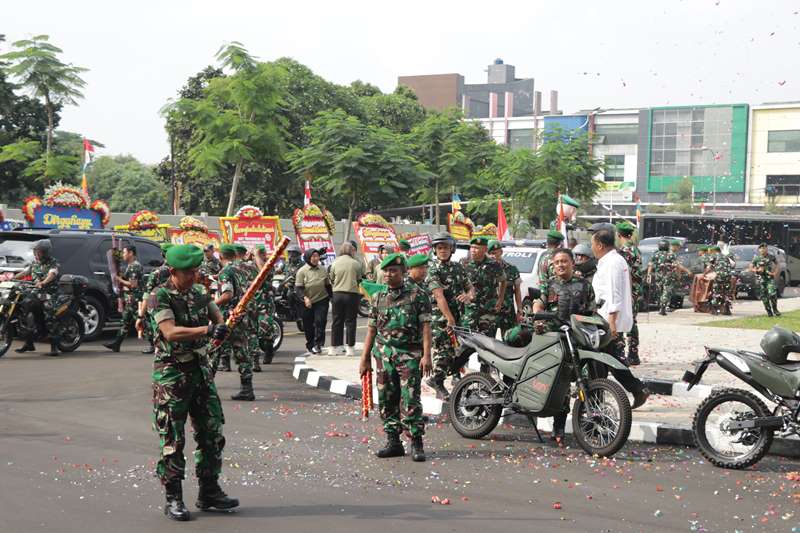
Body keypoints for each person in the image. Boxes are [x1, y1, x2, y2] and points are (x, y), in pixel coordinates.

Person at [148, 244, 238, 521]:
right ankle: (173, 498)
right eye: (189, 272)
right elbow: (170, 332)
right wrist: (207, 330)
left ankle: (209, 491)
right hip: (172, 375)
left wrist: (222, 327)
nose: (195, 275)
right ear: (173, 271)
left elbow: (216, 315)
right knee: (173, 439)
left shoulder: (199, 292)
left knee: (212, 432)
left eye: (197, 270)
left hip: (201, 371)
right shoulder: (159, 296)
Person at [358, 253, 433, 462]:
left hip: (409, 355)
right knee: (386, 400)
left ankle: (416, 443)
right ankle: (393, 442)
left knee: (410, 400)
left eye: (393, 271)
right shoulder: (378, 298)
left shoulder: (418, 296)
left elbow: (426, 327)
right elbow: (371, 330)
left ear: (403, 272)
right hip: (384, 357)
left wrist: (427, 356)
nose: (388, 274)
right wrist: (364, 358)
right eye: (386, 271)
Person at [531, 248, 595, 443]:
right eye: (557, 262)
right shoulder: (548, 285)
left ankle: (588, 424)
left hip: (577, 339)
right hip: (554, 339)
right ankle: (557, 429)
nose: (560, 265)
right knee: (557, 384)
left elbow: (592, 312)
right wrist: (537, 319)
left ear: (572, 263)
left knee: (584, 382)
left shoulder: (584, 285)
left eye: (564, 261)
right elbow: (538, 305)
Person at [590, 229, 650, 409]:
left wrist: (612, 321)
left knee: (600, 361)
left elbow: (614, 293)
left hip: (606, 320)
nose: (592, 248)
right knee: (609, 359)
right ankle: (637, 389)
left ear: (600, 245)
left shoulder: (612, 263)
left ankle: (597, 401)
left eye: (593, 244)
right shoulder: (613, 260)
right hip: (605, 318)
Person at [424, 232, 473, 401]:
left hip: (458, 317)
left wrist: (468, 296)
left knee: (460, 352)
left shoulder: (458, 267)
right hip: (441, 320)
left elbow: (470, 287)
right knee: (444, 352)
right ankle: (437, 382)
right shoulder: (433, 270)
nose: (443, 251)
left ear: (452, 249)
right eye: (440, 248)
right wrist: (449, 319)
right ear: (435, 250)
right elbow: (439, 296)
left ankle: (440, 379)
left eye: (446, 248)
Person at [214, 244, 255, 399]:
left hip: (228, 317)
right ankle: (247, 388)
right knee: (241, 352)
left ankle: (205, 389)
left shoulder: (225, 272)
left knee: (213, 349)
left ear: (221, 256)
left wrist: (211, 305)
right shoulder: (241, 271)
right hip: (241, 316)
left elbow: (227, 295)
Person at [13, 239, 61, 356]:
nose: (36, 254)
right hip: (36, 292)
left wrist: (43, 282)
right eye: (35, 252)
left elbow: (52, 274)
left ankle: (54, 347)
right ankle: (29, 344)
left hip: (49, 293)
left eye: (38, 252)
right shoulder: (35, 263)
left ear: (45, 252)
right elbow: (24, 272)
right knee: (27, 314)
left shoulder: (53, 263)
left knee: (50, 315)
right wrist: (11, 278)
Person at [463, 236, 507, 336]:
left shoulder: (494, 264)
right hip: (470, 308)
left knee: (488, 340)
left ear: (485, 250)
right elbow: (459, 283)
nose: (473, 250)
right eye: (472, 247)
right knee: (466, 339)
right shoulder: (464, 263)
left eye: (477, 248)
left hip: (488, 309)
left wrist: (500, 300)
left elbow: (503, 281)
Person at [104, 245, 144, 352]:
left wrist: (119, 279)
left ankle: (154, 343)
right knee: (125, 322)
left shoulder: (134, 266)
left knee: (142, 321)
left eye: (125, 252)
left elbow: (133, 285)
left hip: (135, 299)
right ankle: (117, 344)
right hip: (131, 299)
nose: (123, 255)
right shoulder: (130, 266)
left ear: (131, 253)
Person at [328, 242, 364, 356]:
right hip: (351, 295)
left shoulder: (335, 262)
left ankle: (334, 347)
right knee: (350, 321)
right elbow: (359, 278)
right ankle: (350, 348)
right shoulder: (356, 263)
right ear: (351, 251)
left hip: (337, 294)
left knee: (337, 321)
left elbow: (331, 278)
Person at [615, 221, 643, 366]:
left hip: (626, 292)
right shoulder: (637, 251)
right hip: (636, 292)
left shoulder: (622, 252)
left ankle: (620, 354)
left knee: (620, 321)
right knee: (632, 322)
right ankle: (633, 354)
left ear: (619, 235)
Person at [138, 243, 173, 355]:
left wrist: (140, 315)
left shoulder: (157, 273)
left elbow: (147, 296)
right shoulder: (180, 271)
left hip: (159, 311)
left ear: (162, 254)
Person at [296, 248, 332, 354]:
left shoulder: (323, 269)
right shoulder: (302, 271)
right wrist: (305, 298)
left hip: (322, 299)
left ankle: (318, 344)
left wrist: (332, 297)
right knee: (308, 325)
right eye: (313, 257)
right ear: (308, 258)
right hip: (307, 302)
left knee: (320, 322)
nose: (316, 259)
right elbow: (298, 289)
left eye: (317, 256)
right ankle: (310, 344)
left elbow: (327, 285)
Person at [647, 239, 690, 316]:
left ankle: (661, 305)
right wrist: (684, 272)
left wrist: (648, 274)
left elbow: (650, 265)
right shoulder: (671, 255)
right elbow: (677, 265)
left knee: (659, 291)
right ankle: (663, 306)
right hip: (668, 276)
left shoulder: (655, 254)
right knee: (666, 291)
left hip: (658, 276)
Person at [488, 240, 522, 335]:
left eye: (495, 253)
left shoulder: (512, 269)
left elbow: (517, 291)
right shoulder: (484, 269)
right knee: (488, 341)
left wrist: (519, 310)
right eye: (490, 253)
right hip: (490, 312)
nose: (492, 256)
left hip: (507, 313)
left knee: (509, 340)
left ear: (501, 252)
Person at [253, 245, 279, 364]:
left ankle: (269, 351)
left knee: (265, 330)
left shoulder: (269, 264)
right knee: (252, 331)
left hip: (265, 303)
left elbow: (263, 273)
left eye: (258, 254)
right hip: (253, 303)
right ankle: (255, 361)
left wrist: (257, 256)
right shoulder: (252, 264)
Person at [749, 243, 781, 317]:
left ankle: (775, 309)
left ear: (767, 249)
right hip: (760, 280)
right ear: (759, 250)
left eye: (765, 248)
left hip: (769, 279)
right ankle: (769, 311)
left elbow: (777, 265)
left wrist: (775, 273)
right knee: (764, 297)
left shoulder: (771, 256)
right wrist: (757, 270)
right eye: (762, 248)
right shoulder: (756, 258)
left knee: (772, 293)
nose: (763, 249)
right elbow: (750, 267)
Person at [706, 245, 733, 316]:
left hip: (719, 277)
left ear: (714, 251)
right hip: (728, 277)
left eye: (711, 251)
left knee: (716, 293)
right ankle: (727, 309)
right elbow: (733, 265)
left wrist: (704, 274)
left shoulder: (714, 256)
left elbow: (709, 267)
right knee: (726, 293)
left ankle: (715, 310)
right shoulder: (727, 256)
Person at [538, 230, 566, 294]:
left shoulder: (543, 256)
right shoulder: (558, 257)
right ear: (560, 244)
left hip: (544, 293)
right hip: (557, 294)